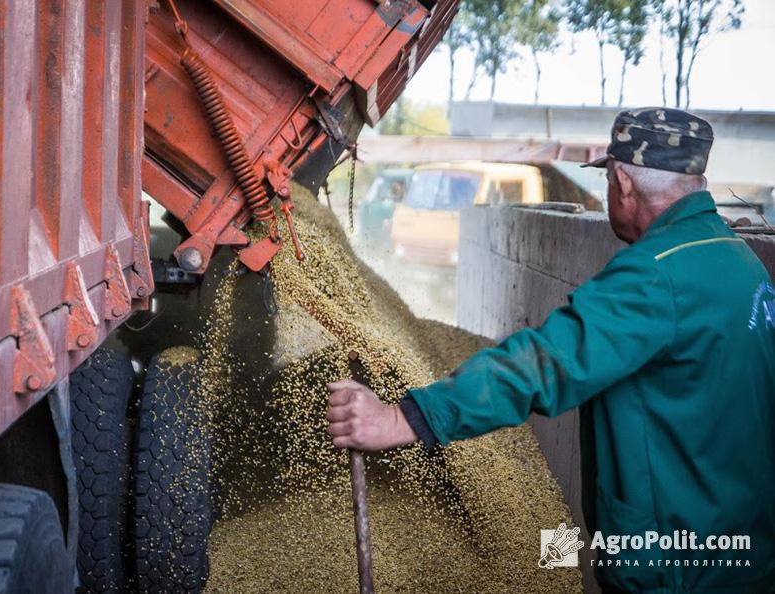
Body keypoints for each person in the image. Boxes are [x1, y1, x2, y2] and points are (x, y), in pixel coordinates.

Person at [326, 107, 775, 593]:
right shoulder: (738, 260)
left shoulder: (654, 274)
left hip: (679, 565)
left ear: (622, 181)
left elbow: (544, 363)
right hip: (744, 546)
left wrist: (402, 419)